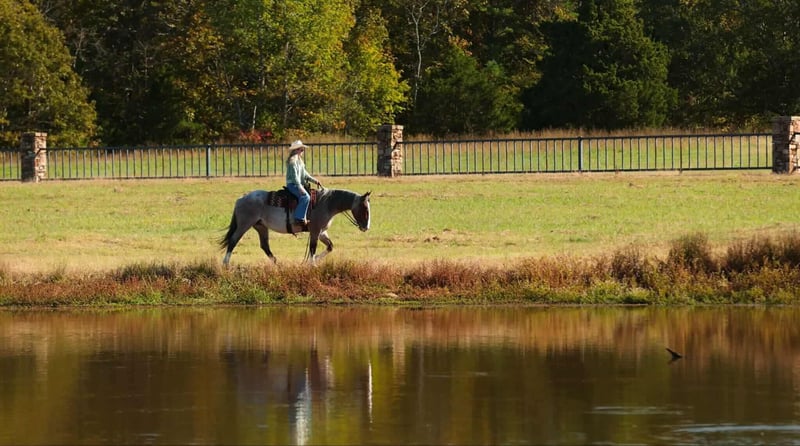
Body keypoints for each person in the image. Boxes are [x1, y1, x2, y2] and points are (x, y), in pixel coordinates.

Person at [285, 140, 322, 225]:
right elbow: (294, 177)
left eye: (302, 149)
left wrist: (315, 181)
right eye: (301, 149)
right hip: (292, 184)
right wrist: (300, 187)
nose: (303, 151)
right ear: (296, 150)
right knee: (306, 197)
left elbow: (305, 174)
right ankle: (299, 218)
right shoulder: (292, 161)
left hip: (298, 184)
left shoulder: (300, 161)